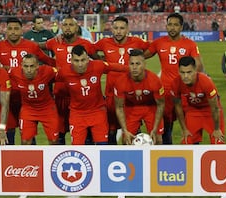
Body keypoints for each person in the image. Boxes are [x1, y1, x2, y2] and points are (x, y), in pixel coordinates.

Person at [0, 17, 55, 145]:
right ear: (6, 31)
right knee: (7, 134)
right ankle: (8, 163)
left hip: (26, 99)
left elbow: (49, 61)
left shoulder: (31, 46)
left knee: (28, 136)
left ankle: (33, 162)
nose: (13, 32)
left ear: (22, 30)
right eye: (10, 29)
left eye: (16, 29)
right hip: (6, 98)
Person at [144, 13, 204, 145]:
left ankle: (193, 152)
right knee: (166, 127)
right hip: (165, 92)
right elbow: (142, 56)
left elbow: (199, 66)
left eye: (176, 25)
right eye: (169, 24)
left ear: (181, 27)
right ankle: (167, 153)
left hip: (184, 92)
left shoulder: (189, 44)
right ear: (166, 25)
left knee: (190, 125)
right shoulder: (159, 42)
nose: (172, 28)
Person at [40, 15, 97, 145]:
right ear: (61, 27)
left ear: (77, 28)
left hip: (81, 97)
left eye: (71, 25)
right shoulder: (55, 42)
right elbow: (36, 47)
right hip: (60, 95)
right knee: (60, 131)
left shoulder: (86, 44)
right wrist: (51, 62)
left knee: (84, 132)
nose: (68, 28)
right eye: (65, 25)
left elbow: (98, 61)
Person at [94, 16, 150, 145]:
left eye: (122, 28)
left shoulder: (136, 42)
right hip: (111, 94)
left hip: (130, 95)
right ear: (112, 29)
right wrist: (101, 61)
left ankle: (133, 158)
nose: (118, 31)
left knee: (132, 130)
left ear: (127, 29)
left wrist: (140, 59)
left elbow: (151, 49)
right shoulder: (104, 43)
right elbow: (90, 50)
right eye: (116, 28)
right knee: (111, 130)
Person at [56, 45, 126, 145]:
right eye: (76, 61)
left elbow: (115, 67)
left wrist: (131, 70)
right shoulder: (64, 72)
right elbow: (49, 77)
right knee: (77, 148)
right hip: (77, 114)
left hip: (97, 112)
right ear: (71, 60)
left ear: (88, 59)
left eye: (83, 60)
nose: (80, 64)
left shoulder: (98, 66)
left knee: (103, 147)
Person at [114, 49, 164, 145]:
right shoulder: (121, 82)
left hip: (150, 107)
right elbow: (119, 107)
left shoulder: (154, 81)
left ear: (144, 64)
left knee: (157, 140)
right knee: (126, 141)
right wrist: (125, 130)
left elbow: (160, 105)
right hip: (131, 107)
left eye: (138, 64)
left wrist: (155, 128)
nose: (134, 67)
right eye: (132, 64)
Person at [171, 56, 225, 144]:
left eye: (189, 72)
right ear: (178, 71)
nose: (186, 76)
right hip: (193, 111)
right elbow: (178, 107)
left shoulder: (206, 82)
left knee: (218, 142)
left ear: (195, 70)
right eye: (182, 72)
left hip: (210, 111)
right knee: (186, 142)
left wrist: (217, 129)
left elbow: (215, 108)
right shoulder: (176, 83)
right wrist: (184, 129)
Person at [9, 54, 59, 145]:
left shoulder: (47, 71)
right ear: (21, 66)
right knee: (25, 141)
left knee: (54, 141)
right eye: (26, 66)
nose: (29, 70)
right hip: (28, 109)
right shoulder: (14, 72)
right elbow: (2, 74)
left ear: (37, 66)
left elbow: (62, 75)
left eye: (32, 66)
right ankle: (27, 159)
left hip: (47, 109)